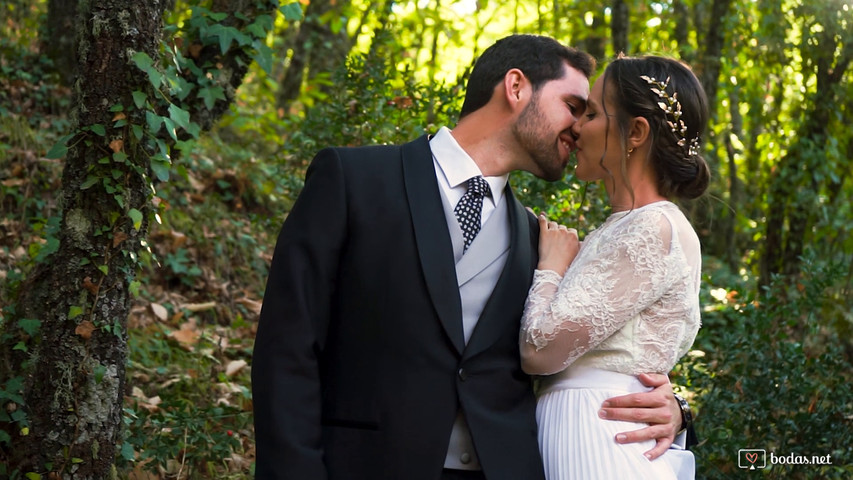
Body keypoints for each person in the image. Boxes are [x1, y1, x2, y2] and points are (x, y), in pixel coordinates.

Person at [252, 36, 686, 480]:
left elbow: (597, 350)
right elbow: (287, 348)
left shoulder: (542, 243)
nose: (581, 127)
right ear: (516, 87)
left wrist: (674, 405)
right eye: (574, 106)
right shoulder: (353, 181)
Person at [519, 54, 709, 479]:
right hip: (578, 429)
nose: (576, 126)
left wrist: (550, 268)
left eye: (591, 113)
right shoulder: (624, 227)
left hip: (602, 440)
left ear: (635, 132)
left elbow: (540, 349)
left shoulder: (654, 227)